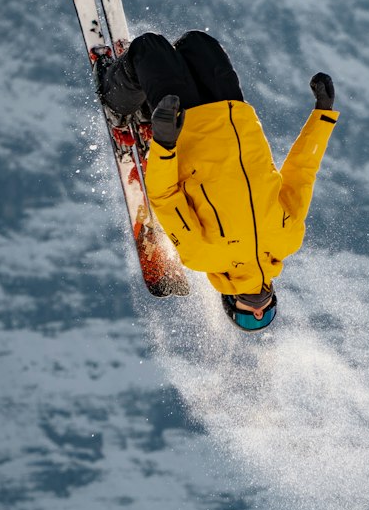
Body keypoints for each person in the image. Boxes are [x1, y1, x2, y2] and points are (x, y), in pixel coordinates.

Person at [98, 31, 338, 331]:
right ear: (274, 300)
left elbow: (164, 196)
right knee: (198, 43)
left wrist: (165, 143)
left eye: (247, 317)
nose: (258, 311)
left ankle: (116, 97)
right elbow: (303, 171)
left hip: (186, 127)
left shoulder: (203, 256)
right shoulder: (288, 240)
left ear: (229, 302)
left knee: (149, 47)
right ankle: (149, 103)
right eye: (266, 313)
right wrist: (323, 115)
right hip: (232, 111)